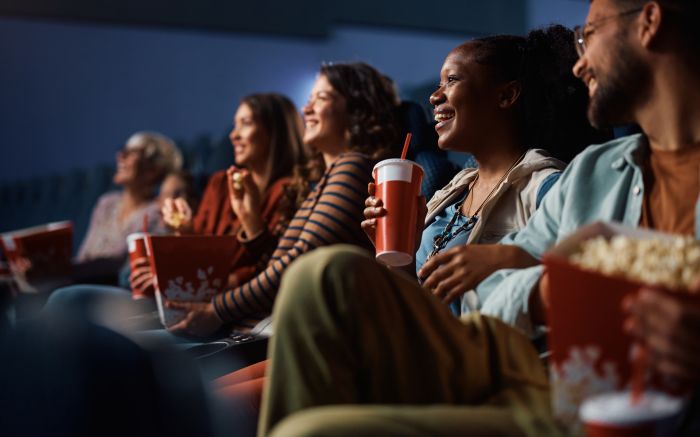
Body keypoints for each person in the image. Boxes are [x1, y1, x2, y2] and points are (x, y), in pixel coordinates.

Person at [258, 0, 700, 435]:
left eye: (590, 35)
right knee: (323, 274)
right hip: (515, 361)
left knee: (309, 428)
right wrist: (541, 287)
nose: (579, 64)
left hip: (571, 387)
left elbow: (508, 276)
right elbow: (496, 296)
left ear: (649, 22)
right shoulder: (595, 171)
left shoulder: (547, 179)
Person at [218, 24, 602, 428]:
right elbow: (415, 298)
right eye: (438, 83)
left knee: (241, 393)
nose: (434, 96)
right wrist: (397, 256)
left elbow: (577, 291)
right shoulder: (449, 192)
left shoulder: (548, 186)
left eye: (451, 80)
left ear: (506, 95)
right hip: (405, 344)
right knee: (223, 389)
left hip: (463, 361)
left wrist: (506, 258)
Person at [166, 61, 402, 337]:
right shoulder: (327, 179)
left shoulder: (353, 167)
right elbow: (279, 266)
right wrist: (250, 219)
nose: (306, 109)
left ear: (357, 111)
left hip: (275, 336)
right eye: (309, 99)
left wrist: (217, 310)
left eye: (322, 98)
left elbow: (297, 265)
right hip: (256, 329)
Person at [131, 93, 309, 297]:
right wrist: (184, 230)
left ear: (276, 132)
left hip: (236, 305)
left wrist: (251, 221)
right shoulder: (220, 184)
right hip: (197, 297)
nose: (234, 135)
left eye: (246, 123)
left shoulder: (291, 190)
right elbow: (199, 261)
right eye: (235, 124)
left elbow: (275, 270)